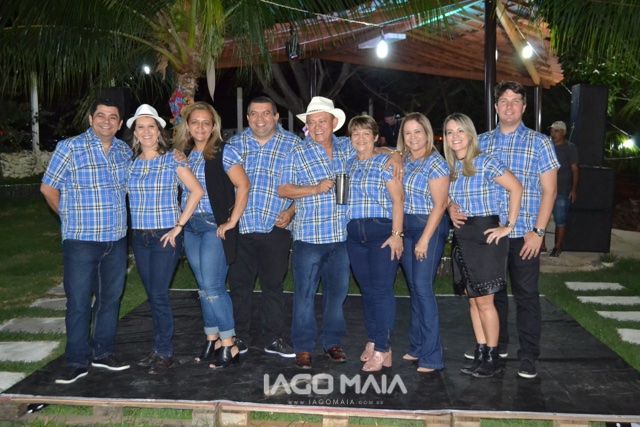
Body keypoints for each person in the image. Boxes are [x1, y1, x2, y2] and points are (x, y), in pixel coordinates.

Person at [449, 81, 558, 379]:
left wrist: (539, 231)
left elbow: (550, 191)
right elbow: (460, 182)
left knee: (526, 295)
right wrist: (452, 207)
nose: (509, 106)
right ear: (495, 107)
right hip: (489, 234)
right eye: (504, 101)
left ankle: (529, 355)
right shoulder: (480, 142)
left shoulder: (540, 142)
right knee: (492, 294)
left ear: (524, 106)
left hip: (524, 233)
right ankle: (497, 348)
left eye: (515, 100)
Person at [41, 97, 132, 384]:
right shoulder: (70, 147)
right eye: (101, 115)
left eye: (113, 117)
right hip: (81, 239)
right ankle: (77, 360)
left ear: (119, 124)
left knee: (110, 300)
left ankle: (103, 353)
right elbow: (48, 187)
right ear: (91, 119)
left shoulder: (123, 151)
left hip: (116, 239)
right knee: (79, 302)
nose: (107, 121)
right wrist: (66, 216)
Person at [126, 104, 204, 374]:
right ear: (136, 133)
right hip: (139, 237)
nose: (146, 131)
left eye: (151, 126)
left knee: (158, 294)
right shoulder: (131, 164)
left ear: (158, 131)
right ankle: (158, 348)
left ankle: (165, 351)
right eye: (141, 127)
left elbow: (196, 191)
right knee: (152, 294)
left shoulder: (173, 159)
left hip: (164, 237)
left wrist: (179, 226)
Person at [443, 113, 522, 378]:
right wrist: (451, 207)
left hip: (486, 236)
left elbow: (516, 187)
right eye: (450, 132)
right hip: (463, 237)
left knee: (486, 302)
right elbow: (446, 198)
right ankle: (481, 351)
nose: (455, 136)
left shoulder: (486, 161)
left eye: (460, 131)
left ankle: (493, 356)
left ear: (470, 134)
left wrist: (509, 226)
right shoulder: (452, 168)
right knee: (473, 302)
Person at [174, 102, 250, 368]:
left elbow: (243, 185)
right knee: (203, 288)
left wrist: (232, 221)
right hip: (190, 227)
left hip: (212, 226)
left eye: (206, 122)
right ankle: (212, 337)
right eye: (195, 122)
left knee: (214, 287)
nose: (200, 127)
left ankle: (230, 343)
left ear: (214, 126)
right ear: (187, 125)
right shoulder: (184, 154)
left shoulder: (223, 151)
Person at [278, 96, 351, 369]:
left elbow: (375, 148)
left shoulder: (347, 148)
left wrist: (393, 154)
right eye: (312, 122)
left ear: (334, 122)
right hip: (310, 237)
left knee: (337, 294)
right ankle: (303, 347)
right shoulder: (297, 152)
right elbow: (284, 189)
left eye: (322, 121)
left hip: (342, 236)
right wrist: (315, 189)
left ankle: (332, 342)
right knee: (305, 296)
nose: (317, 126)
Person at [226, 96, 297, 358]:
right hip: (241, 226)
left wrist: (291, 211)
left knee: (273, 286)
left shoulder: (294, 144)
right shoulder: (234, 144)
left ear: (276, 116)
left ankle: (274, 338)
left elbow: (305, 183)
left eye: (266, 113)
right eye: (254, 114)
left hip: (276, 226)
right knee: (239, 286)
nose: (260, 119)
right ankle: (240, 337)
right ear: (247, 118)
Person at [346, 115, 404, 373]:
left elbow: (398, 200)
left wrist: (397, 234)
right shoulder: (349, 164)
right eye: (356, 134)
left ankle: (383, 347)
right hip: (355, 236)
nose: (360, 138)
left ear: (375, 137)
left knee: (381, 290)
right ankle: (373, 339)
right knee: (367, 291)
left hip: (382, 233)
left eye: (366, 134)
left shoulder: (385, 162)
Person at [395, 112, 449, 373]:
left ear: (427, 133)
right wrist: (395, 154)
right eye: (408, 132)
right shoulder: (405, 159)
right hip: (407, 228)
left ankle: (433, 356)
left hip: (430, 228)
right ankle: (417, 346)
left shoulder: (435, 163)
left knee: (422, 287)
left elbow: (440, 205)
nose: (413, 137)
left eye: (418, 131)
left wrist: (425, 240)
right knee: (414, 289)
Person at [549, 121, 579, 257]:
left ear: (563, 133)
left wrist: (573, 189)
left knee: (560, 219)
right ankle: (541, 245)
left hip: (562, 190)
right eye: (552, 131)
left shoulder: (570, 147)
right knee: (542, 218)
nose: (553, 133)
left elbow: (575, 169)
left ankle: (558, 246)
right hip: (545, 189)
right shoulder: (548, 145)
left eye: (556, 131)